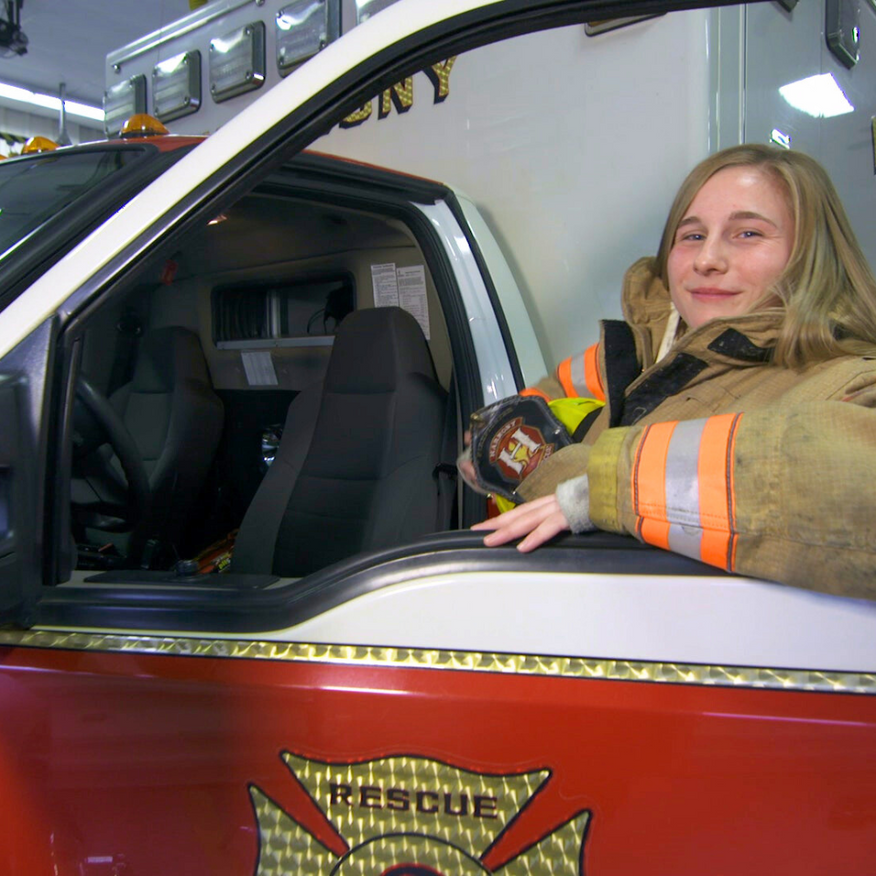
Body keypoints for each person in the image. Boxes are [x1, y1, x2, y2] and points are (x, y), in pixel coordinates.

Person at [462, 144, 876, 600]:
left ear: (812, 255)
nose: (707, 260)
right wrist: (493, 443)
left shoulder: (849, 381)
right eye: (692, 236)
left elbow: (853, 489)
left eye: (748, 234)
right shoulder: (646, 351)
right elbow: (541, 403)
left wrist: (605, 488)